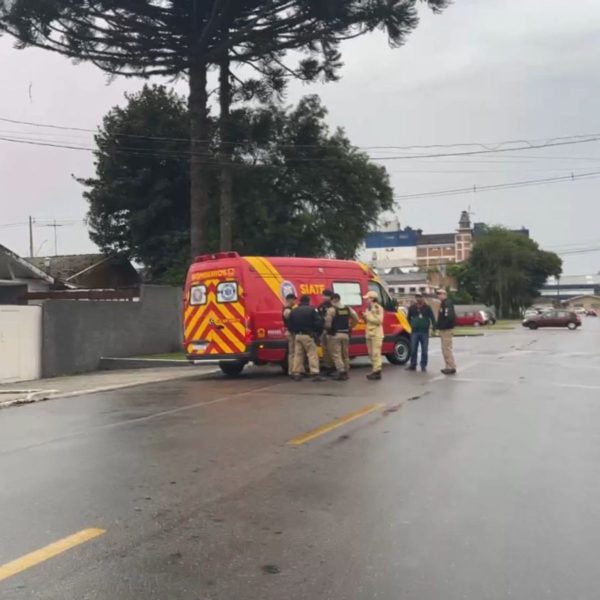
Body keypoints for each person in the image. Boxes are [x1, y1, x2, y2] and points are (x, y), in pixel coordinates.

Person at [288, 294, 324, 382]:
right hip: (308, 335)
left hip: (297, 336)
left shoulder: (294, 311)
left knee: (298, 355)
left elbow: (289, 324)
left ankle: (296, 373)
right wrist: (317, 332)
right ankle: (315, 373)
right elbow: (318, 323)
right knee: (312, 354)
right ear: (308, 301)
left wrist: (294, 332)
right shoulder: (312, 310)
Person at [324, 293, 359, 380]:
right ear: (339, 299)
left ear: (332, 300)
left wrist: (327, 330)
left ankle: (341, 372)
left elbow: (328, 324)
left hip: (335, 335)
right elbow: (356, 319)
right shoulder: (347, 309)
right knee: (345, 354)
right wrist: (350, 327)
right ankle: (346, 371)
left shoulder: (331, 310)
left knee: (336, 354)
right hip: (346, 334)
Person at [406, 293, 436, 372]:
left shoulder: (427, 307)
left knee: (424, 350)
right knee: (413, 349)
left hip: (424, 332)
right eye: (417, 297)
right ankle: (413, 365)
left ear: (423, 297)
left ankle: (423, 365)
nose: (418, 298)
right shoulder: (412, 308)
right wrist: (412, 325)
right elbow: (408, 318)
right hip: (414, 332)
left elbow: (432, 318)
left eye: (420, 297)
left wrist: (434, 328)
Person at [363, 290, 384, 380]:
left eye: (368, 298)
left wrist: (368, 316)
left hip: (376, 334)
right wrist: (365, 317)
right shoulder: (368, 308)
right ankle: (374, 369)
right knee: (371, 354)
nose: (366, 300)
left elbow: (379, 321)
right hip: (369, 333)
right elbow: (368, 321)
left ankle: (377, 371)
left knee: (376, 353)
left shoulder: (378, 308)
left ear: (372, 299)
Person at [436, 288, 457, 375]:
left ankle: (451, 366)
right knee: (444, 349)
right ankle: (448, 366)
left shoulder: (447, 303)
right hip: (443, 329)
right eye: (438, 294)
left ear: (445, 294)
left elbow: (449, 317)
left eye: (440, 294)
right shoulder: (443, 303)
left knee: (446, 348)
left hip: (446, 329)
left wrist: (443, 326)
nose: (439, 296)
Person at [317, 289, 335, 374]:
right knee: (325, 349)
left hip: (333, 331)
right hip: (324, 330)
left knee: (333, 349)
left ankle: (334, 366)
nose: (323, 297)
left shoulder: (334, 306)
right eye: (323, 295)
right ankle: (328, 366)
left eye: (325, 295)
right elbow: (319, 318)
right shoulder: (321, 306)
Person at [282, 292, 298, 376]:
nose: (295, 302)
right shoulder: (287, 309)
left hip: (291, 331)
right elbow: (290, 318)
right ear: (290, 300)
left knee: (294, 352)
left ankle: (293, 370)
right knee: (293, 352)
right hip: (291, 332)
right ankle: (293, 371)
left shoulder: (288, 308)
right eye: (294, 300)